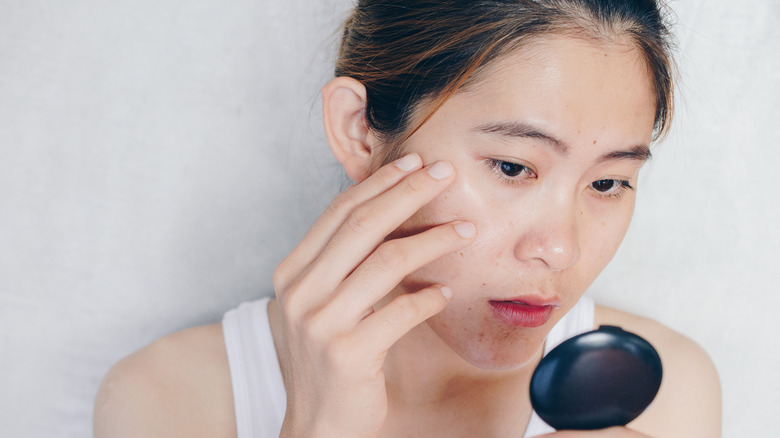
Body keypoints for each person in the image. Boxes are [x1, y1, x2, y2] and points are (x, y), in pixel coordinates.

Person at [93, 1, 722, 436]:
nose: (559, 249)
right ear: (358, 130)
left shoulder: (662, 395)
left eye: (608, 182)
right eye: (510, 167)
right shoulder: (169, 397)